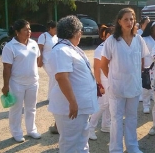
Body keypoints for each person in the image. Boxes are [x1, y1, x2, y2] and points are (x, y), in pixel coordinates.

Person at [100, 7, 149, 153]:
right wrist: (113, 79)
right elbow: (103, 64)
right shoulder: (112, 41)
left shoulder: (138, 39)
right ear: (119, 21)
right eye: (126, 19)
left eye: (132, 19)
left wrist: (134, 74)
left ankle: (133, 147)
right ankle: (116, 149)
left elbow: (142, 60)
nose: (129, 22)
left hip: (133, 86)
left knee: (132, 118)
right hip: (117, 87)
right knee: (116, 119)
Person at [47, 15, 98, 153]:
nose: (81, 34)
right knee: (70, 144)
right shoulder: (61, 50)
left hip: (79, 107)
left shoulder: (71, 48)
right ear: (76, 32)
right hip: (70, 107)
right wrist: (73, 102)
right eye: (80, 31)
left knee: (81, 141)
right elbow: (61, 77)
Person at [1, 19, 41, 142]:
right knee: (16, 109)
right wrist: (6, 85)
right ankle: (16, 132)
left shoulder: (33, 43)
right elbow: (7, 67)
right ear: (17, 32)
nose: (29, 31)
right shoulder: (10, 47)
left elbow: (38, 58)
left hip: (33, 82)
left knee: (31, 107)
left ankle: (31, 130)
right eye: (25, 29)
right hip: (17, 83)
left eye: (29, 29)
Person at [88, 25, 113, 140]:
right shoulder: (100, 49)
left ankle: (106, 125)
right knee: (102, 104)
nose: (111, 37)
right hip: (104, 80)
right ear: (105, 36)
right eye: (109, 35)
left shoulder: (113, 48)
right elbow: (96, 68)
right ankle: (90, 128)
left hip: (112, 80)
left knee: (109, 103)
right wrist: (99, 84)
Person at [37, 20, 59, 134]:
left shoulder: (55, 37)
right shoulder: (43, 36)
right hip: (46, 60)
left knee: (53, 78)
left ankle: (50, 97)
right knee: (54, 77)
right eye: (55, 28)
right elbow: (39, 49)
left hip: (54, 61)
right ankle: (50, 97)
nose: (56, 30)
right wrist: (39, 60)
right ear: (50, 28)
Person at [141, 20, 155, 114]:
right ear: (151, 30)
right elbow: (141, 54)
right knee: (147, 87)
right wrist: (141, 66)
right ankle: (146, 105)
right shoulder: (144, 39)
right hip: (147, 65)